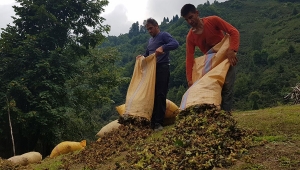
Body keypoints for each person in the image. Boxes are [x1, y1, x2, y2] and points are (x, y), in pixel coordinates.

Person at [180, 4, 240, 112]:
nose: (189, 21)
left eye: (191, 17)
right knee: (213, 89)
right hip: (210, 65)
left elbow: (233, 32)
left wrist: (232, 50)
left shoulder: (213, 20)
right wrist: (189, 79)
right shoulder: (190, 37)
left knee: (227, 88)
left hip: (225, 59)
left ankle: (226, 116)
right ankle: (215, 115)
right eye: (186, 20)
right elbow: (189, 58)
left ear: (197, 13)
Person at [137, 18, 179, 131]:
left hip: (162, 68)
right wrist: (141, 57)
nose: (150, 31)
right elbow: (148, 54)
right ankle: (152, 121)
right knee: (152, 95)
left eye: (151, 28)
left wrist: (163, 47)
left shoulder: (163, 35)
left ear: (157, 26)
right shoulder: (150, 41)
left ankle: (159, 123)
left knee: (160, 94)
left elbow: (175, 44)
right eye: (148, 29)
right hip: (152, 70)